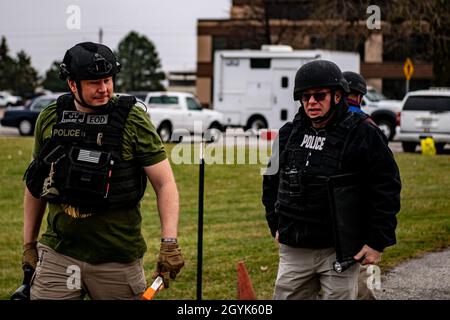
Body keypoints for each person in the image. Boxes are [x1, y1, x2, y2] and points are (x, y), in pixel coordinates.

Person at [20, 42, 184, 300]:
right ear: (73, 84)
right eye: (94, 82)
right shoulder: (51, 118)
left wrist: (170, 243)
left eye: (108, 80)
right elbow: (35, 184)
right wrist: (29, 245)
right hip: (58, 254)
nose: (104, 89)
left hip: (116, 259)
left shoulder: (133, 120)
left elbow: (165, 184)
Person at [262, 60, 401, 300]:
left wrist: (377, 241)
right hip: (295, 248)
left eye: (319, 95)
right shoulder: (288, 134)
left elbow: (385, 187)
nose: (311, 102)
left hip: (340, 249)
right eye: (305, 97)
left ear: (337, 96)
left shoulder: (363, 133)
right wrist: (275, 224)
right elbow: (271, 182)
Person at [343, 70, 378, 300]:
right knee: (365, 287)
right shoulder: (369, 125)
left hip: (346, 221)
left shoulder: (327, 124)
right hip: (360, 220)